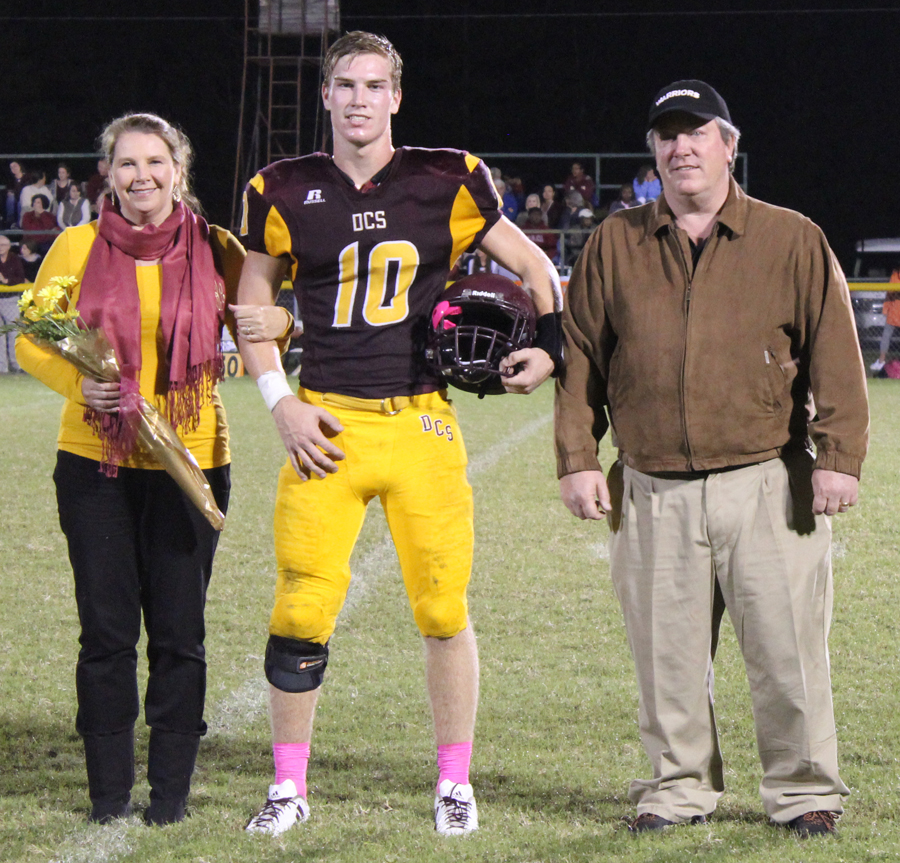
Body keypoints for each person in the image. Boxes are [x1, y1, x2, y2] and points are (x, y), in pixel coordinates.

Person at [237, 30, 562, 837]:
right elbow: (250, 314)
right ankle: (288, 787)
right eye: (345, 84)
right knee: (301, 608)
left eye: (374, 85)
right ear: (325, 94)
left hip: (420, 419)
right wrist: (280, 401)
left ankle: (454, 781)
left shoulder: (447, 178)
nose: (359, 99)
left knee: (443, 606)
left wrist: (549, 349)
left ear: (396, 96)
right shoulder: (279, 188)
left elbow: (538, 271)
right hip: (326, 421)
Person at [555, 80, 868, 837]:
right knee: (666, 660)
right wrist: (576, 456)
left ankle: (803, 791)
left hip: (767, 479)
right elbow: (582, 359)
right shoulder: (615, 241)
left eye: (697, 132)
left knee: (787, 649)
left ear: (729, 145)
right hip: (653, 483)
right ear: (655, 151)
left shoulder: (791, 237)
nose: (681, 146)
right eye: (667, 134)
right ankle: (678, 788)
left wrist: (840, 457)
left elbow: (837, 356)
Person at [16, 112, 289, 826]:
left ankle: (169, 797)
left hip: (191, 460)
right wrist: (84, 386)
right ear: (108, 174)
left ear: (179, 168)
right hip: (93, 464)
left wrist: (283, 324)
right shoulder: (75, 245)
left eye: (155, 161)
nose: (142, 176)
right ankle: (108, 796)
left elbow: (263, 319)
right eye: (127, 164)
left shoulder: (218, 247)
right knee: (105, 633)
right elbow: (32, 340)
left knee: (178, 632)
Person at [0, 234, 26, 373]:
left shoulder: (14, 259)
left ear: (9, 246)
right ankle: (2, 368)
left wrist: (5, 281)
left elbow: (20, 278)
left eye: (3, 245)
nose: (0, 248)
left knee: (14, 332)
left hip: (10, 300)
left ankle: (17, 365)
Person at [869, 265, 900, 372]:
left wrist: (886, 309)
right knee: (886, 335)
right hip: (895, 310)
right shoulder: (895, 275)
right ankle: (881, 362)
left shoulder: (895, 275)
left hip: (895, 310)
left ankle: (881, 361)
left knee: (886, 335)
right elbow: (890, 293)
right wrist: (886, 308)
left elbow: (890, 293)